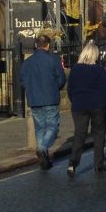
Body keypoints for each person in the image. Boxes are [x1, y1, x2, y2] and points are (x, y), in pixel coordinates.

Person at [66, 42, 106, 177]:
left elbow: (70, 89)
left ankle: (72, 164)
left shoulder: (75, 69)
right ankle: (98, 164)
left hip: (79, 105)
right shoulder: (99, 70)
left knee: (79, 134)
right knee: (99, 134)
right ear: (95, 55)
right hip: (96, 105)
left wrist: (75, 100)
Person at [19, 34, 66, 170]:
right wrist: (54, 87)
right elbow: (61, 79)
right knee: (53, 126)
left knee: (40, 128)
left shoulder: (27, 62)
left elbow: (22, 81)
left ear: (36, 45)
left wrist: (32, 89)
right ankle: (42, 148)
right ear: (47, 45)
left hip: (34, 99)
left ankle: (44, 158)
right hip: (50, 98)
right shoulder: (53, 59)